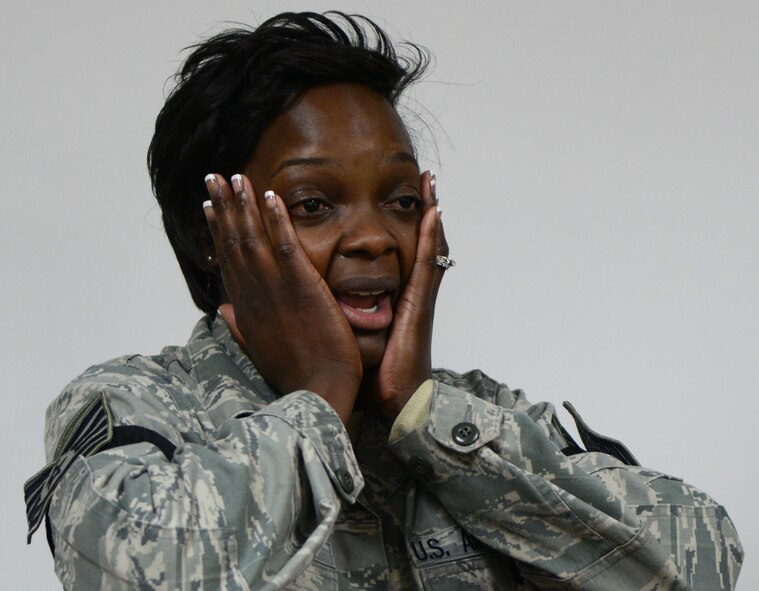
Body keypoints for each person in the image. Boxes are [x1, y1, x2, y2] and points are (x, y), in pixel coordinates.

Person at [24, 11, 742, 591]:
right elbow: (160, 575)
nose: (373, 236)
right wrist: (320, 396)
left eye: (401, 200)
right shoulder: (137, 407)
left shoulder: (480, 418)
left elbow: (704, 565)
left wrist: (425, 418)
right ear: (217, 235)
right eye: (313, 204)